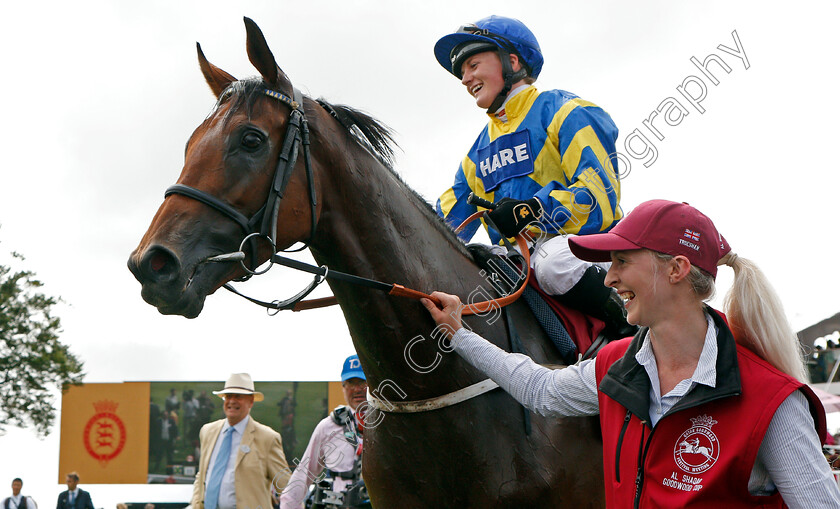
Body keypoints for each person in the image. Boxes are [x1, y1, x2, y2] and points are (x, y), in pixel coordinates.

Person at [421, 199, 840, 507]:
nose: (609, 279)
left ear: (676, 269)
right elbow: (540, 389)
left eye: (621, 261)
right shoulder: (616, 364)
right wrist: (460, 334)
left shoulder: (772, 401)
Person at [433, 15, 630, 335]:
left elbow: (600, 195)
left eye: (472, 64)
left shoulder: (567, 111)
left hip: (591, 250)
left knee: (554, 263)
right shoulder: (475, 155)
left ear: (511, 61)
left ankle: (633, 329)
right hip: (521, 263)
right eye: (461, 71)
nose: (465, 78)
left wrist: (533, 211)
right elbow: (441, 225)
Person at [279, 355, 370, 509]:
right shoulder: (329, 426)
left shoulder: (388, 424)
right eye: (350, 383)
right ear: (342, 386)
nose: (357, 389)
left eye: (362, 382)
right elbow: (303, 474)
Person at [190, 373, 290, 509]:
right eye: (228, 396)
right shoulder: (208, 431)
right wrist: (196, 503)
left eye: (238, 396)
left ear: (251, 401)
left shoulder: (267, 438)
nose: (232, 401)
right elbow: (202, 474)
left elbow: (286, 487)